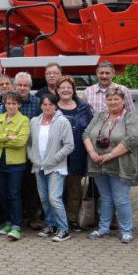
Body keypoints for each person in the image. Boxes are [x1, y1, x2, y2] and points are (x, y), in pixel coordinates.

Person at [83, 87, 138, 243]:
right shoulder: (100, 115)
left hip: (120, 165)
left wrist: (110, 155)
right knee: (105, 198)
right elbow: (86, 134)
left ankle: (126, 231)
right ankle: (103, 229)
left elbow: (132, 138)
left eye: (116, 99)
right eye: (110, 99)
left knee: (121, 199)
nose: (113, 102)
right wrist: (91, 152)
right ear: (106, 101)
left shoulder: (129, 117)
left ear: (123, 101)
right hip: (99, 164)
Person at [28, 93, 75, 242]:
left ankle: (64, 229)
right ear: (41, 106)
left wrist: (54, 159)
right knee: (44, 198)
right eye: (44, 104)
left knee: (54, 198)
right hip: (38, 166)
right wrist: (32, 157)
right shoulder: (34, 121)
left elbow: (69, 145)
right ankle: (50, 225)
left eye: (51, 104)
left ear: (56, 105)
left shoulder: (62, 122)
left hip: (56, 167)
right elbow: (29, 143)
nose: (47, 107)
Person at [0, 91, 29, 241]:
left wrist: (0, 138)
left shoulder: (24, 120)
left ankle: (16, 226)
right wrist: (7, 137)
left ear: (19, 104)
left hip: (15, 164)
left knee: (14, 195)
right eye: (8, 103)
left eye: (14, 103)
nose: (11, 106)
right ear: (4, 104)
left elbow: (20, 142)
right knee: (2, 194)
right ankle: (7, 222)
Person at [55, 76, 93, 231]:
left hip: (77, 153)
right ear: (57, 90)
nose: (65, 90)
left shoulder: (83, 107)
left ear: (73, 90)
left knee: (74, 189)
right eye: (62, 87)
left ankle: (72, 219)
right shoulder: (51, 106)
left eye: (68, 88)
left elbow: (89, 129)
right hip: (56, 154)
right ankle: (58, 219)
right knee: (57, 189)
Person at [13, 72, 43, 229]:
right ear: (15, 86)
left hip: (32, 151)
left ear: (30, 87)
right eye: (20, 85)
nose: (22, 88)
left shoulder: (38, 103)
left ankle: (34, 217)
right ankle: (19, 217)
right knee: (17, 186)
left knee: (32, 186)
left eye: (25, 85)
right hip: (15, 151)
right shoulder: (11, 103)